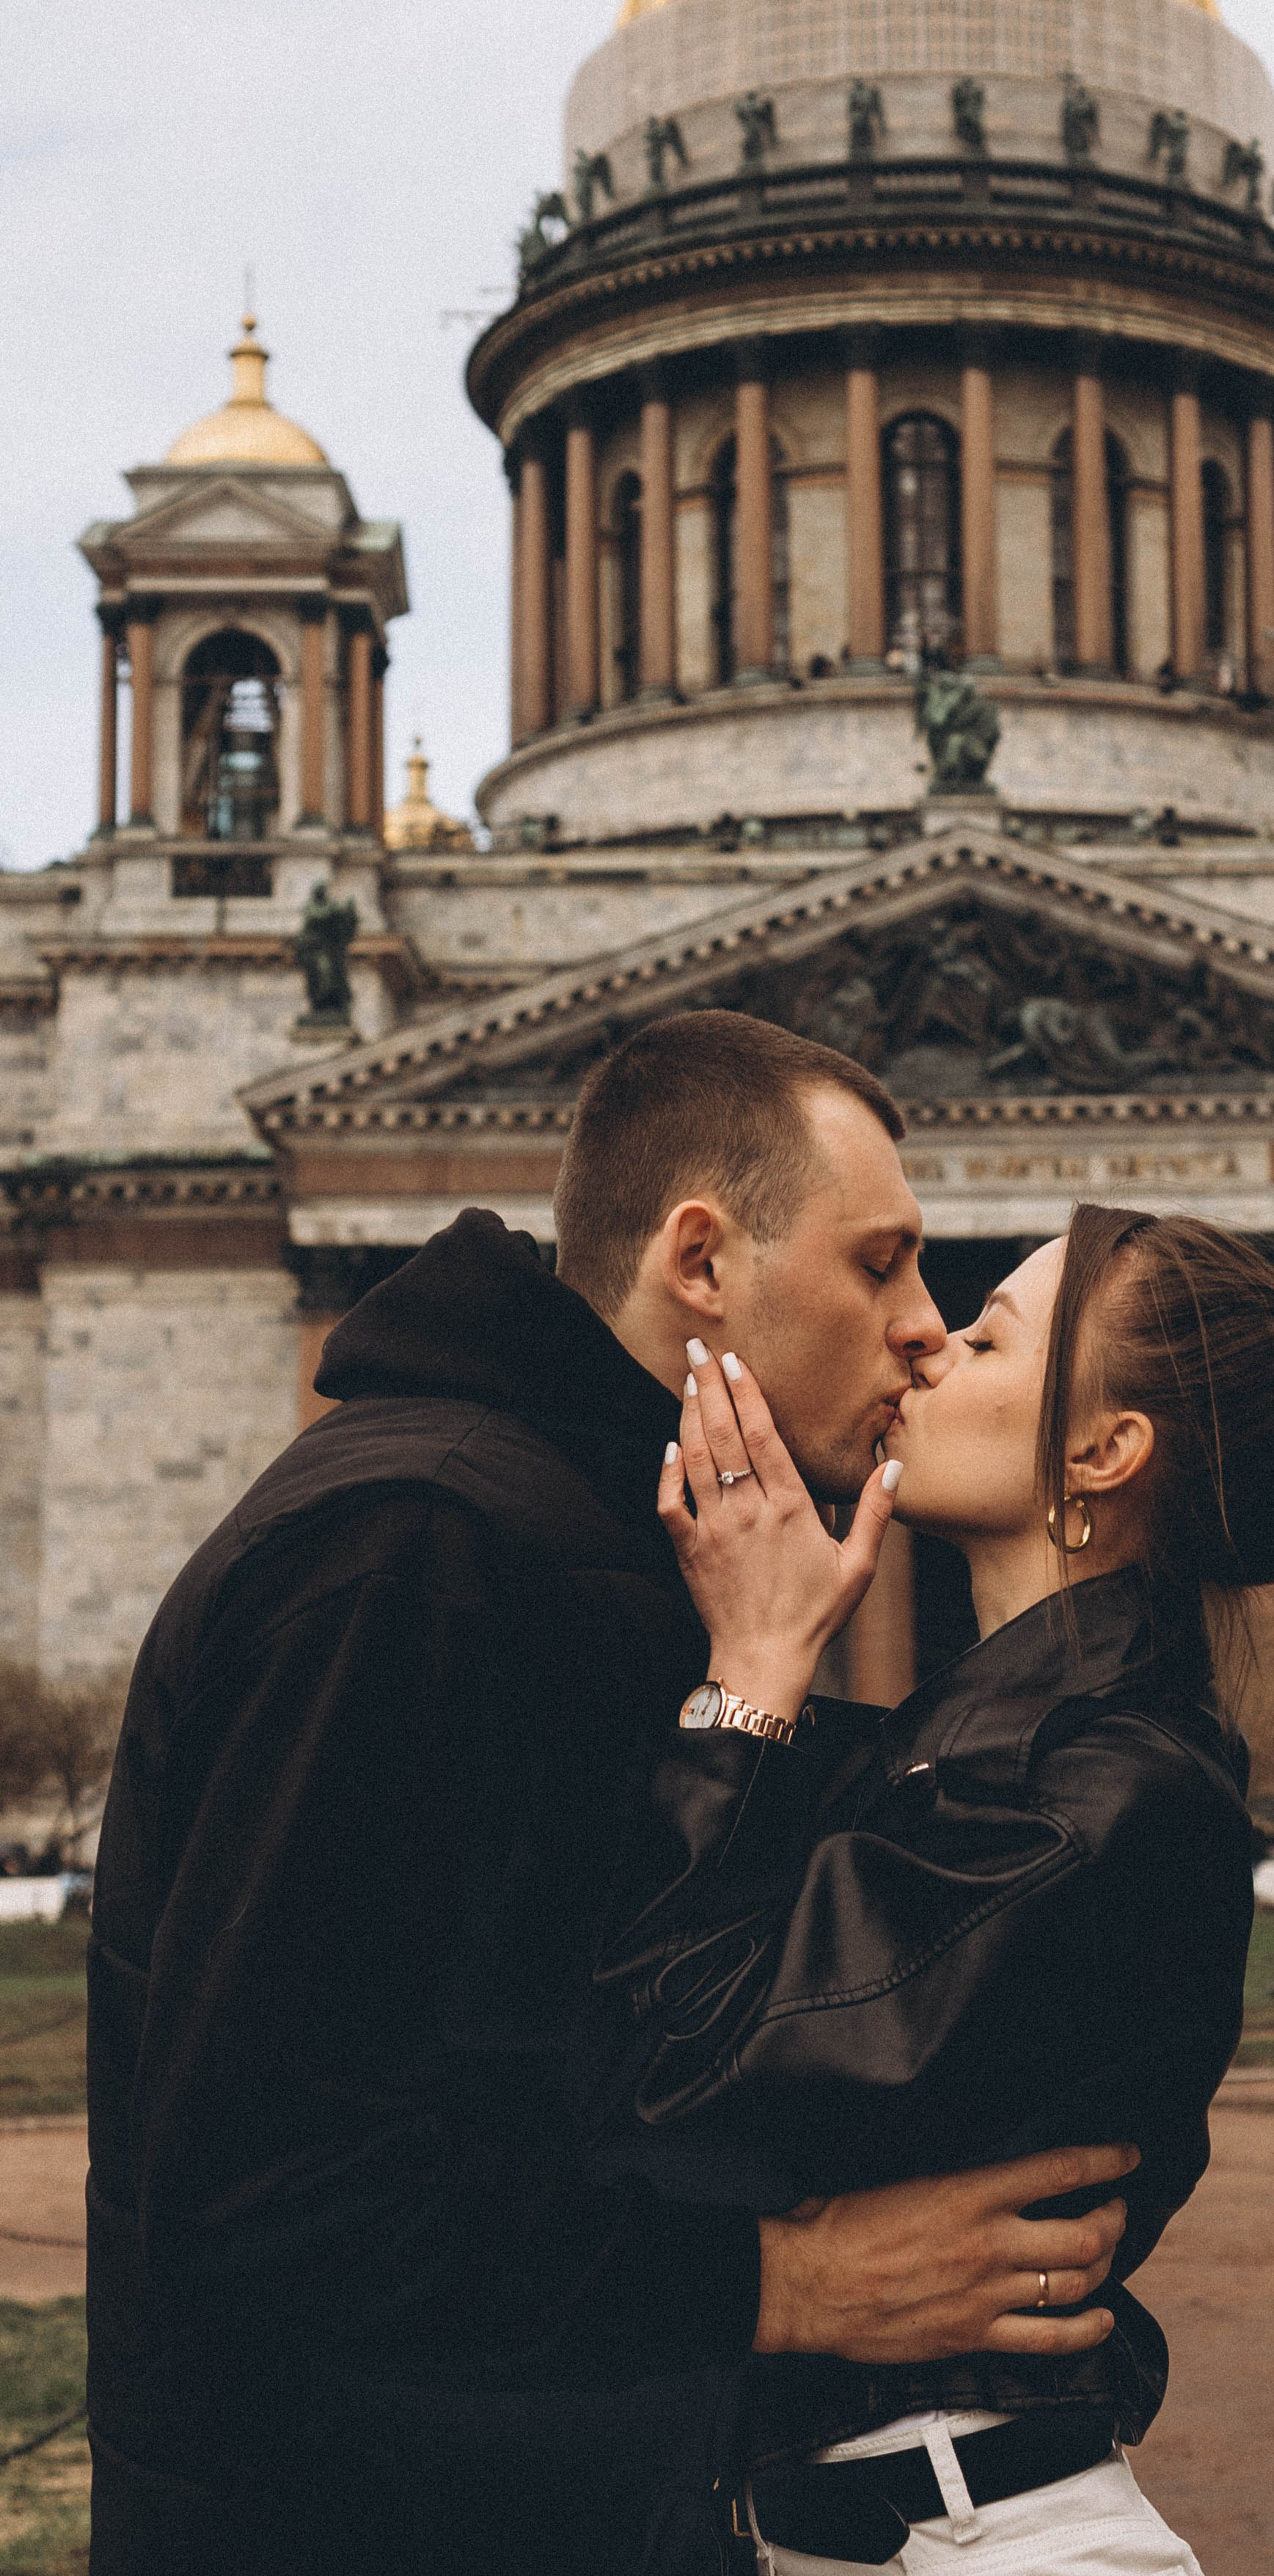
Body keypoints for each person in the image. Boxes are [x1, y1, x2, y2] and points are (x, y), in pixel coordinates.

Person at [85, 1013, 1135, 2576]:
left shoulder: (590, 1547)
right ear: (700, 1261)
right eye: (881, 1263)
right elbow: (266, 2193)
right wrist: (781, 2284)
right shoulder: (409, 1554)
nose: (924, 1328)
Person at [599, 1205, 1274, 2573]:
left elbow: (669, 2082)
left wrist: (748, 1678)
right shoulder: (970, 1757)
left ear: (1102, 1453)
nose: (924, 1343)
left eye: (986, 1335)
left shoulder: (1098, 1801)